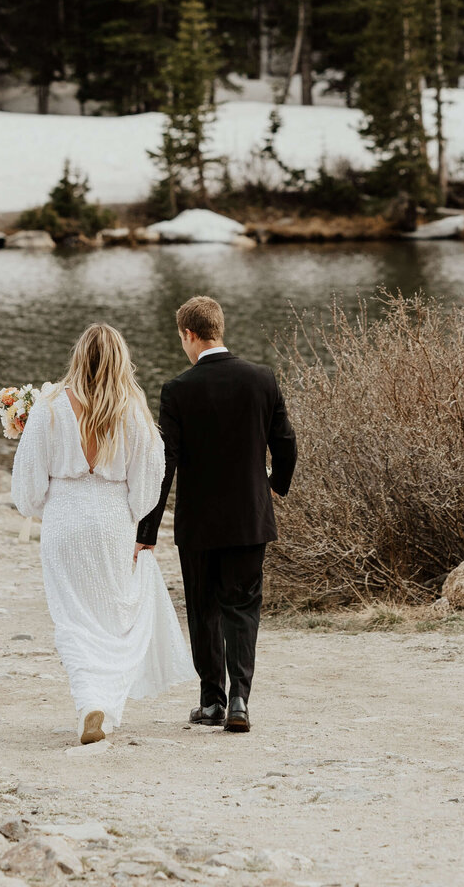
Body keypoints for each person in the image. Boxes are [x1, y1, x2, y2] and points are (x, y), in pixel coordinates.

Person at [11, 323, 195, 745]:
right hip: (112, 521)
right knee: (114, 620)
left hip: (64, 519)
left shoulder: (49, 407)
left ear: (78, 357)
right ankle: (104, 706)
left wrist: (47, 508)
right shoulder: (133, 410)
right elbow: (150, 482)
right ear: (119, 360)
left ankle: (91, 703)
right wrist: (126, 514)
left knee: (72, 619)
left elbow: (27, 486)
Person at [134, 295, 297, 734]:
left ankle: (212, 704)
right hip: (250, 517)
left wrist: (146, 528)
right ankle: (241, 700)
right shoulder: (262, 379)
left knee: (204, 608)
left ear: (189, 334)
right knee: (243, 608)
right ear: (218, 328)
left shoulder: (178, 389)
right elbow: (286, 442)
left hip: (199, 523)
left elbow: (165, 463)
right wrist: (273, 485)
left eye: (181, 338)